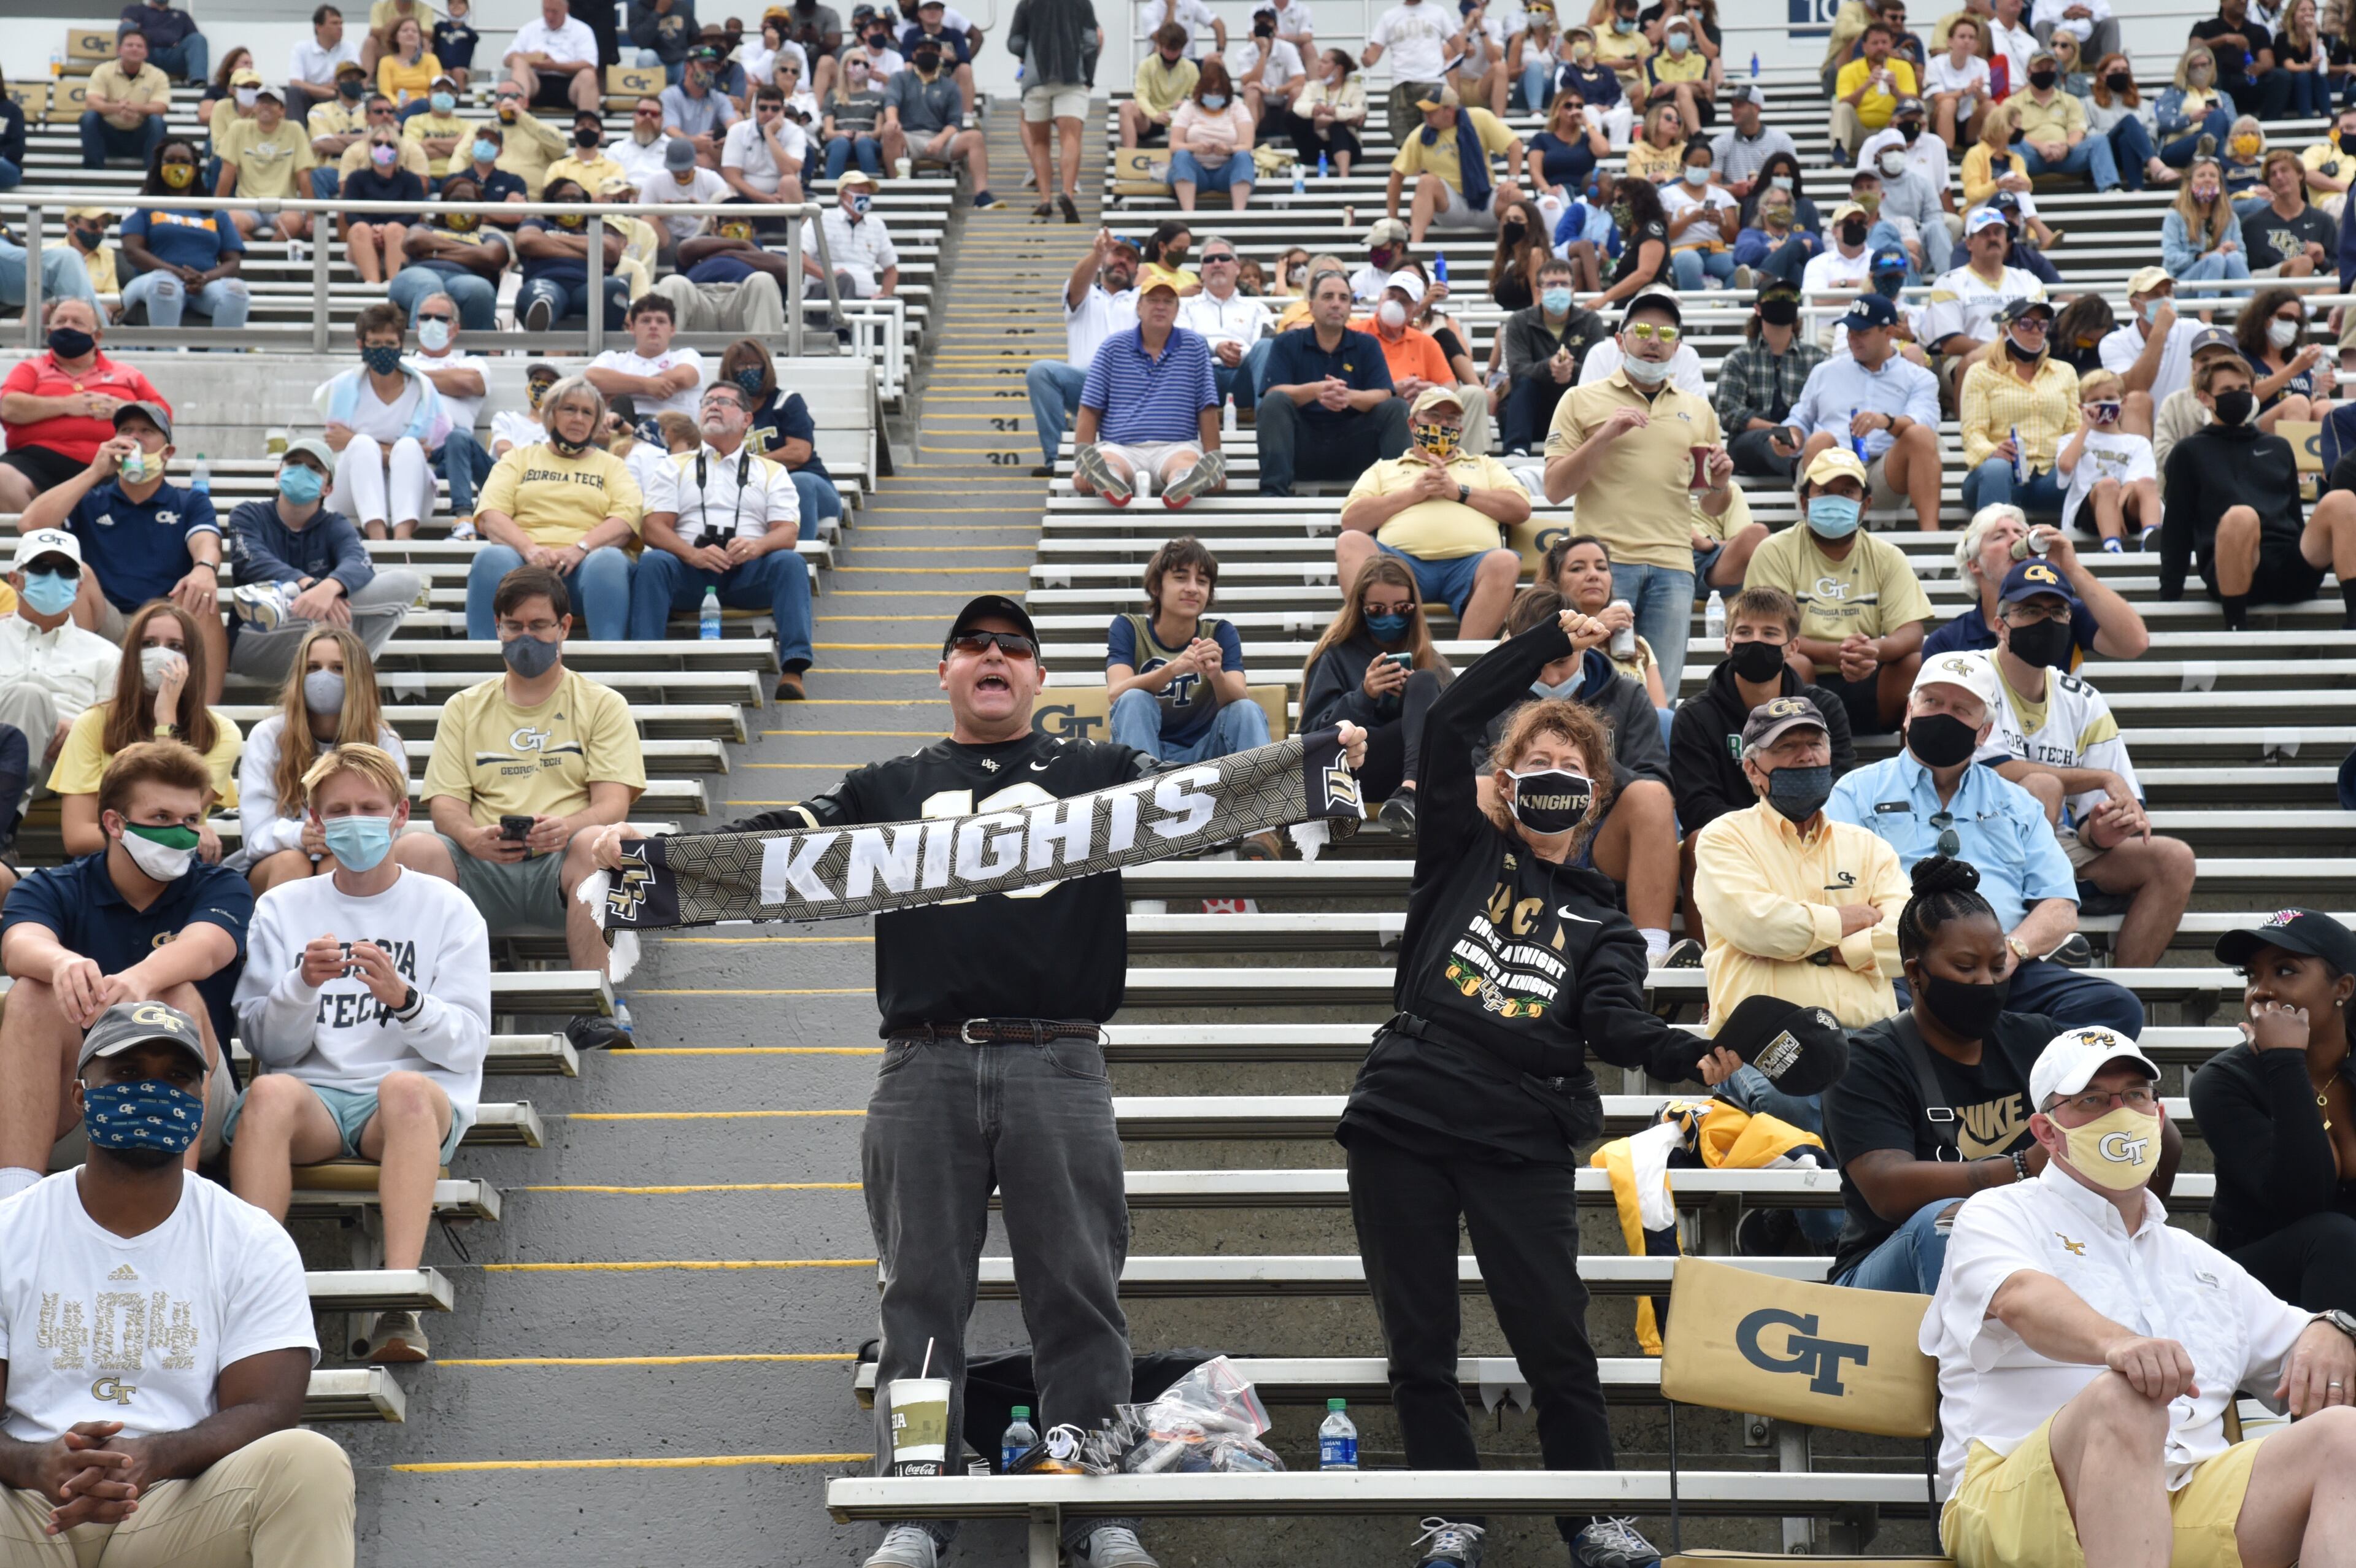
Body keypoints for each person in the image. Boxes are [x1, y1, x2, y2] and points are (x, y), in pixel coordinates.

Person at [583, 596, 1359, 1568]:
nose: (994, 657)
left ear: (1039, 680)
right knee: (918, 1296)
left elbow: (1204, 795)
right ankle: (918, 1503)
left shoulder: (1103, 772)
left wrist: (1319, 760)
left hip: (1060, 1054)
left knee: (1078, 1293)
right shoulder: (887, 783)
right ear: (945, 671)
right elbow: (783, 839)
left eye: (1014, 648)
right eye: (974, 646)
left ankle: (1094, 1507)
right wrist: (653, 861)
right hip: (923, 1062)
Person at [1336, 605, 1733, 1568]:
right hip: (1405, 1117)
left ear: (1596, 795)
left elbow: (1615, 1025)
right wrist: (1547, 647)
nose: (1552, 782)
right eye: (1535, 767)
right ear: (1505, 785)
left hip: (1521, 1134)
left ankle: (1591, 1515)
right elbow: (1441, 721)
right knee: (1419, 1341)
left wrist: (1698, 1055)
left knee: (1556, 1337)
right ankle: (1452, 1514)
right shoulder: (1458, 852)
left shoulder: (1602, 921)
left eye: (1571, 771)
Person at [1923, 1022, 2356, 1568]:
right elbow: (2019, 1298)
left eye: (2135, 1095)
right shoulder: (1999, 1212)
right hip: (2014, 1498)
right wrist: (2120, 1344)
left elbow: (2306, 1344)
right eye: (2092, 1100)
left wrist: (2335, 1327)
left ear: (2159, 1113)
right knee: (2126, 1397)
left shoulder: (2196, 1260)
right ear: (2047, 1132)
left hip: (2182, 1496)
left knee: (2345, 1437)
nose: (2120, 1112)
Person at [0, 994, 356, 1562]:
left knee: (310, 1463)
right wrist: (31, 1463)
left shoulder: (251, 1238)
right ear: (79, 1095)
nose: (152, 1091)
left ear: (199, 1101)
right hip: (26, 1506)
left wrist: (154, 1457)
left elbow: (270, 1408)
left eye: (177, 1078)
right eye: (126, 1073)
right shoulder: (10, 1228)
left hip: (176, 1506)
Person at [227, 739, 489, 1366]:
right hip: (312, 1101)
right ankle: (248, 1294)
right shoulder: (282, 908)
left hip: (409, 1105)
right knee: (264, 1093)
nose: (354, 821)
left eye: (369, 808)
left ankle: (398, 1301)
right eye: (337, 810)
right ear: (314, 823)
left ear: (400, 816)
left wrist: (404, 998)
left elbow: (468, 1043)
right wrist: (301, 987)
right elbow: (263, 1043)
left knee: (402, 1089)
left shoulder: (448, 908)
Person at [1827, 856, 2148, 1295]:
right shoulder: (1867, 1060)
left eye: (1997, 968)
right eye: (1965, 968)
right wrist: (2021, 1166)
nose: (1985, 982)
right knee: (1949, 1221)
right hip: (1888, 1272)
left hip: (2028, 1251)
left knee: (2155, 1141)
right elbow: (1887, 1189)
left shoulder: (2037, 1040)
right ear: (1916, 974)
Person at [1828, 652, 2144, 1034]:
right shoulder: (1856, 792)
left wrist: (2009, 954)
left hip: (2001, 968)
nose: (1944, 715)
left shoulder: (2018, 804)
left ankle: (1992, 1052)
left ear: (1984, 732)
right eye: (1932, 702)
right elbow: (1837, 891)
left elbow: (2059, 906)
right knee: (1885, 1013)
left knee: (2113, 1007)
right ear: (1909, 713)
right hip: (1906, 967)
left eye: (1962, 709)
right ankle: (1987, 1051)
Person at [410, 567, 644, 1053]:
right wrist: (473, 837)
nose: (526, 637)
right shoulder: (464, 707)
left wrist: (565, 827)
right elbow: (446, 805)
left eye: (539, 626)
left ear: (565, 627)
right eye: (514, 626)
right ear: (497, 627)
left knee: (595, 840)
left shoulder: (602, 704)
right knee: (415, 847)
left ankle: (593, 1005)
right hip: (484, 865)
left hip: (562, 867)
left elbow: (612, 803)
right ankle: (419, 1009)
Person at [0, 742, 252, 1189]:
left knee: (173, 994)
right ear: (115, 823)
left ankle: (181, 1200)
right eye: (161, 819)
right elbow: (19, 944)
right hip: (80, 1106)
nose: (181, 833)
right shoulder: (56, 887)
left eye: (191, 820)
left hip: (196, 1105)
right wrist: (62, 965)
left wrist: (141, 980)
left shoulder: (221, 884)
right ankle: (13, 1204)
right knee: (31, 992)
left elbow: (209, 948)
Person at [1972, 561, 2192, 969]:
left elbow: (2097, 824)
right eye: (2031, 610)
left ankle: (2126, 993)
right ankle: (2035, 942)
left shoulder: (2083, 698)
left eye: (2057, 612)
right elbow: (1996, 773)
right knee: (2043, 787)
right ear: (2001, 625)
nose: (2047, 621)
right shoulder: (1973, 676)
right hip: (1974, 835)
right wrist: (2102, 778)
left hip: (2053, 844)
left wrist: (2106, 827)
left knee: (2174, 859)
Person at [1543, 284, 1731, 699]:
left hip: (1674, 566)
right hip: (1606, 566)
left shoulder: (1698, 409)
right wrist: (1605, 435)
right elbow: (1555, 488)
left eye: (1666, 335)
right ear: (1619, 340)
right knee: (1593, 689)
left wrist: (1721, 481)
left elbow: (1712, 503)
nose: (1653, 341)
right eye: (1642, 330)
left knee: (1660, 694)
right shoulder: (1581, 399)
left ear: (1678, 348)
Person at [1692, 689, 1906, 1031]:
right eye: (1787, 747)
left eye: (1815, 744)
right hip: (1769, 1047)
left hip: (1871, 1042)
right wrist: (1850, 919)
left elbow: (1908, 941)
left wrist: (1820, 950)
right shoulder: (1725, 838)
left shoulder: (1869, 846)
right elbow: (1758, 927)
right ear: (1752, 770)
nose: (1806, 756)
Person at [2190, 908, 2356, 1314]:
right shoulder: (2221, 1082)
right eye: (2251, 975)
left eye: (2285, 971)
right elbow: (2304, 1202)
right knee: (2333, 1236)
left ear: (2344, 987)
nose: (2260, 991)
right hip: (2254, 1284)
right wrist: (2283, 1061)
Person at [628, 381, 812, 701]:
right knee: (654, 561)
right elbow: (654, 528)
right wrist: (692, 554)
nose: (713, 406)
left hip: (748, 572)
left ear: (747, 420)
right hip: (690, 572)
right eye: (708, 401)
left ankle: (794, 670)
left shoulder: (771, 471)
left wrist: (756, 547)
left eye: (725, 402)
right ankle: (645, 666)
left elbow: (787, 532)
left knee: (790, 562)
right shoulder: (673, 466)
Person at [23, 401, 225, 689]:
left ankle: (211, 721)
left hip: (167, 616)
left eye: (146, 431)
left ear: (168, 452)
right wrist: (95, 471)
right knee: (76, 572)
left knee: (203, 594)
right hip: (107, 618)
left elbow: (206, 542)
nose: (134, 438)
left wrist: (205, 567)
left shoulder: (189, 501)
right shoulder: (92, 498)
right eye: (126, 430)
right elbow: (31, 525)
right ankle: (78, 697)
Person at [1743, 447, 1931, 736]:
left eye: (1847, 492)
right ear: (1805, 503)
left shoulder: (1887, 556)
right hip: (1803, 676)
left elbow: (1911, 631)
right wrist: (1832, 654)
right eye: (1825, 491)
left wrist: (1874, 650)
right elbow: (1766, 632)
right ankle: (1799, 756)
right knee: (1793, 662)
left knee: (1915, 663)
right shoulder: (1775, 551)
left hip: (1869, 676)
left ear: (1865, 505)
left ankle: (1914, 773)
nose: (1836, 500)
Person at [1103, 539, 1276, 849]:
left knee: (1246, 709)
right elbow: (1116, 693)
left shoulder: (1220, 632)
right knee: (1134, 699)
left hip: (1206, 756)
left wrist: (1215, 674)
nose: (1193, 588)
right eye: (1181, 578)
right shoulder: (1128, 627)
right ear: (1157, 587)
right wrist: (1174, 668)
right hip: (1148, 758)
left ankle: (1260, 828)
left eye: (1203, 581)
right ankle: (1147, 819)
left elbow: (1239, 698)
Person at [2163, 353, 2356, 628]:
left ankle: (2354, 624)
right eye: (2227, 390)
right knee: (2242, 516)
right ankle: (2236, 628)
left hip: (2289, 564)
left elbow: (2294, 517)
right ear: (2205, 398)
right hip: (2235, 569)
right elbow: (2176, 530)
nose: (2238, 395)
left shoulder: (2278, 447)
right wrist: (2170, 596)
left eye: (2244, 389)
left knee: (2342, 500)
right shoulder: (2189, 452)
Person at [49, 604, 240, 868]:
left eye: (176, 647)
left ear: (193, 660)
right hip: (102, 867)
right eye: (148, 644)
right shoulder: (93, 723)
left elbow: (172, 811)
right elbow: (78, 836)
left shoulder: (222, 733)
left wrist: (165, 720)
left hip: (176, 865)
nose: (161, 654)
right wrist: (162, 831)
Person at [1336, 386, 1525, 637]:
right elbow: (1351, 520)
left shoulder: (1484, 465)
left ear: (1461, 429)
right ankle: (1373, 644)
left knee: (1505, 561)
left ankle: (1466, 663)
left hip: (1471, 567)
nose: (1443, 423)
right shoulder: (1385, 469)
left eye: (1451, 418)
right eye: (1434, 416)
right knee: (1350, 542)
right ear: (1413, 424)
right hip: (1399, 564)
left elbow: (1520, 509)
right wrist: (1414, 494)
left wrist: (1459, 492)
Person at [466, 379, 642, 640]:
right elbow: (491, 514)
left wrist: (580, 549)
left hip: (585, 568)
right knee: (491, 559)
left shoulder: (613, 465)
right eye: (570, 409)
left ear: (596, 422)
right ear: (551, 414)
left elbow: (626, 520)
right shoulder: (519, 458)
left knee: (608, 561)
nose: (578, 418)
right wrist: (530, 550)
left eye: (587, 412)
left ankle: (610, 661)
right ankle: (481, 664)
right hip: (524, 565)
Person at [238, 627, 406, 893]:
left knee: (340, 865)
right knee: (292, 863)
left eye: (338, 668)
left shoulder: (384, 740)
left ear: (358, 678)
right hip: (279, 860)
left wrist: (344, 837)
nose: (323, 678)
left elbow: (389, 825)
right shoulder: (268, 735)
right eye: (313, 667)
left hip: (356, 860)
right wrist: (301, 836)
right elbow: (255, 834)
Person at [1301, 555, 1450, 828]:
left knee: (1425, 683)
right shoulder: (1335, 656)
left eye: (1402, 608)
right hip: (1354, 770)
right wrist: (1364, 695)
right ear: (1361, 608)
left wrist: (1419, 697)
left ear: (1415, 608)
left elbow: (1456, 727)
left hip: (1422, 774)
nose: (1390, 617)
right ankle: (1411, 793)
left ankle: (1410, 791)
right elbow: (1311, 736)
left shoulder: (1429, 657)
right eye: (1377, 610)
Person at [1776, 295, 1944, 529]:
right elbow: (1800, 419)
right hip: (1833, 466)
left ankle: (1931, 536)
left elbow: (1924, 419)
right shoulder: (1824, 371)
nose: (1853, 339)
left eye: (1862, 332)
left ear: (1889, 333)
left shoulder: (1919, 377)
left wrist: (1885, 422)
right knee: (1820, 439)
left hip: (1885, 473)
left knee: (1921, 435)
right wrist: (1791, 437)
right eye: (1850, 331)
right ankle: (1812, 531)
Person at [1928, 504, 2151, 666]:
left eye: (2020, 533)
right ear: (1975, 564)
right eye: (1999, 536)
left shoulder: (2061, 613)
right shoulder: (1949, 641)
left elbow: (2135, 643)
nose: (2016, 540)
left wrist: (2072, 570)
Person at [1069, 275, 1222, 509]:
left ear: (1177, 309)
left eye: (1168, 301)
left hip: (1176, 445)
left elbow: (1207, 407)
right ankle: (1109, 481)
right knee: (1107, 463)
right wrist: (1081, 465)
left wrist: (1214, 462)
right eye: (1153, 300)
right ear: (1139, 307)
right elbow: (1089, 408)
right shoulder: (1113, 347)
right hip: (1121, 446)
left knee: (1187, 463)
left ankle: (1184, 483)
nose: (1160, 306)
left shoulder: (1194, 346)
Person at [0, 302, 166, 515]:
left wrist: (124, 409)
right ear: (50, 332)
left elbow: (163, 415)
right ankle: (42, 540)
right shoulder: (32, 368)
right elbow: (8, 406)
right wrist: (67, 405)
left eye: (77, 323)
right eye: (60, 322)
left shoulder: (126, 374)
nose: (67, 327)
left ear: (97, 337)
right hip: (35, 463)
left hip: (115, 464)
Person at [1257, 269, 1408, 496]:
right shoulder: (1287, 343)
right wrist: (1316, 391)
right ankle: (1273, 496)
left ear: (1350, 308)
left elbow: (1384, 394)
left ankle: (1397, 495)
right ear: (1311, 307)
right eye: (1328, 297)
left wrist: (1349, 397)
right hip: (1301, 448)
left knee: (1397, 408)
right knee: (1274, 402)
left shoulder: (1367, 344)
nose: (1336, 304)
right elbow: (1273, 391)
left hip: (1354, 448)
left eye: (1343, 298)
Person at [0, 529, 120, 812]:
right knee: (27, 697)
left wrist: (82, 729)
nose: (54, 578)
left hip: (62, 769)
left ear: (78, 587)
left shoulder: (107, 655)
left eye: (65, 571)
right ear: (15, 579)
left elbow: (120, 729)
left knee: (30, 696)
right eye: (42, 567)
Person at [1958, 296, 2080, 517]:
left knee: (2087, 474)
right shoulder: (1981, 372)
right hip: (2000, 474)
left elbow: (2074, 429)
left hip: (2050, 474)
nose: (2035, 330)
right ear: (2006, 330)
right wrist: (1993, 452)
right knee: (1997, 469)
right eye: (2026, 323)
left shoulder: (2065, 372)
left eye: (2042, 325)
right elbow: (1972, 433)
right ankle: (1991, 542)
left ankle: (2110, 545)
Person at [118, 138, 252, 334]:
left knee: (236, 291)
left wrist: (204, 278)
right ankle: (166, 356)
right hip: (150, 284)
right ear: (159, 166)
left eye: (183, 161)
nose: (177, 166)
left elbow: (233, 262)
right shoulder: (144, 206)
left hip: (204, 287)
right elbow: (132, 250)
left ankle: (225, 358)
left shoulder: (215, 213)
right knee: (165, 286)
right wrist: (176, 273)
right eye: (170, 161)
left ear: (195, 168)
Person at [722, 338, 842, 530]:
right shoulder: (721, 411)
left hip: (809, 488)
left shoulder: (786, 402)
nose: (749, 370)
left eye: (755, 364)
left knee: (799, 483)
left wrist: (750, 464)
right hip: (753, 495)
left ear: (766, 367)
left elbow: (799, 453)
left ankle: (797, 556)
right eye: (741, 366)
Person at [1387, 83, 1526, 245]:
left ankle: (1506, 251)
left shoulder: (1480, 118)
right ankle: (1415, 245)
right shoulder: (1420, 135)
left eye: (1432, 111)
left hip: (1485, 196)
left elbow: (1515, 145)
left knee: (1517, 197)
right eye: (1425, 111)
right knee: (1427, 181)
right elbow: (1397, 175)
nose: (1426, 115)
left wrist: (1512, 180)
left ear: (1449, 110)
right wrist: (1393, 218)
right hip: (1449, 206)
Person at [1715, 282, 1825, 482]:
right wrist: (1779, 431)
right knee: (1767, 440)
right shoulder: (1739, 358)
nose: (1782, 302)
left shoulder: (1817, 359)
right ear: (1758, 308)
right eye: (1775, 297)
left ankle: (1804, 467)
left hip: (1803, 439)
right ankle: (1803, 471)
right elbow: (1729, 413)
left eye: (1789, 297)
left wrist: (1796, 435)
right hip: (1750, 447)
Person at [1501, 256, 1609, 456]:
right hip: (1534, 409)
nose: (1558, 289)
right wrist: (1549, 367)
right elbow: (1517, 369)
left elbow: (1596, 370)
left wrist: (1570, 369)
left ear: (1573, 289)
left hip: (1575, 406)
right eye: (1551, 284)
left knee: (1589, 387)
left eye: (1564, 284)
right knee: (1524, 383)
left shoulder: (1590, 321)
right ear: (1538, 290)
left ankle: (1592, 448)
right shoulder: (1519, 321)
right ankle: (1516, 451)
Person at [884, 27, 996, 208]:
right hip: (908, 137)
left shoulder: (950, 86)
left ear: (939, 55)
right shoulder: (900, 79)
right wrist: (893, 121)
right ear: (914, 54)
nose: (928, 54)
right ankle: (896, 188)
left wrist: (940, 140)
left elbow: (955, 122)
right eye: (923, 50)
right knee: (889, 130)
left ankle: (981, 194)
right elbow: (891, 103)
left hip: (940, 138)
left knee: (975, 137)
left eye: (933, 51)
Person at [1006, 0, 1095, 220]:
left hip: (1036, 79)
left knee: (1040, 143)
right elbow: (1092, 41)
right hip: (1072, 78)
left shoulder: (1027, 3)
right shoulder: (1081, 3)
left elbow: (1013, 42)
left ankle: (1045, 199)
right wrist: (1090, 77)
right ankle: (1067, 194)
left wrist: (1029, 48)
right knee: (1071, 137)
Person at [2055, 372, 2161, 551]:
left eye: (2110, 398)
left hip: (2127, 507)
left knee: (2148, 484)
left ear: (2123, 402)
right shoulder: (2070, 440)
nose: (2103, 404)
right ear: (2082, 407)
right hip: (2088, 511)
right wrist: (2085, 427)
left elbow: (2134, 481)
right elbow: (2066, 467)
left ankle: (2152, 539)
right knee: (2108, 486)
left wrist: (2117, 509)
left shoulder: (2137, 443)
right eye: (2095, 400)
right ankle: (2112, 545)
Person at [515, 179, 629, 331]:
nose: (570, 202)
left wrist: (552, 238)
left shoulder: (596, 230)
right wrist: (589, 253)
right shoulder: (538, 224)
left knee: (616, 286)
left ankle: (608, 352)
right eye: (563, 199)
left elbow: (612, 251)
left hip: (587, 287)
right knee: (543, 298)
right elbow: (526, 241)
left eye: (576, 198)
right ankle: (539, 340)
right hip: (547, 282)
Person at [1174, 237, 1269, 417]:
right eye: (1209, 260)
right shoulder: (1184, 306)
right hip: (1202, 377)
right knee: (1190, 341)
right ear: (1202, 272)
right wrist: (1215, 349)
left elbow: (1262, 351)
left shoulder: (1258, 308)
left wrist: (1238, 355)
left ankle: (1266, 425)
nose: (1217, 264)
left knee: (1266, 347)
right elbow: (1182, 344)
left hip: (1244, 379)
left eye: (1224, 258)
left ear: (1237, 268)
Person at [1363, 0, 1455, 144]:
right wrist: (1365, 59)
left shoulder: (1439, 12)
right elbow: (1371, 57)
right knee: (1405, 142)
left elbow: (1459, 46)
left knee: (1437, 139)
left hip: (1433, 84)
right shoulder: (1389, 16)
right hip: (1403, 85)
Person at [80, 29, 170, 169]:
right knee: (89, 117)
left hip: (141, 138)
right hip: (109, 138)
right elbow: (92, 103)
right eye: (130, 45)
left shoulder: (158, 76)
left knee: (157, 122)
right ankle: (93, 170)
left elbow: (161, 108)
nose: (134, 49)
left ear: (146, 52)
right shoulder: (103, 70)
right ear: (119, 49)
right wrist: (118, 108)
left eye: (139, 46)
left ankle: (152, 173)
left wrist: (135, 108)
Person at [2246, 147, 2338, 278]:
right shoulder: (2252, 225)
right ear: (2269, 184)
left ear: (2300, 174)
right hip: (2269, 290)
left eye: (2284, 170)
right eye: (2273, 174)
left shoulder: (2324, 221)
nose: (2279, 177)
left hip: (2313, 286)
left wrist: (2322, 260)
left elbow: (2336, 267)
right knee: (2303, 262)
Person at [1833, 22, 1920, 156]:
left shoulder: (1903, 67)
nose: (1880, 47)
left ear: (1891, 44)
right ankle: (1839, 153)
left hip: (1893, 129)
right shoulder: (1848, 70)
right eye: (1875, 43)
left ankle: (1918, 153)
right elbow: (1845, 101)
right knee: (1842, 108)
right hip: (1859, 130)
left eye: (1884, 42)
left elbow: (1912, 102)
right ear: (1864, 47)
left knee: (1919, 108)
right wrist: (1867, 85)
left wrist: (1895, 90)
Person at [2164, 156, 2252, 288]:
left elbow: (2243, 259)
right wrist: (2200, 257)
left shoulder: (2231, 217)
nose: (2207, 179)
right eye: (2201, 175)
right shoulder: (2175, 216)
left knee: (2235, 258)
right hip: (2184, 282)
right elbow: (2171, 258)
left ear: (2220, 182)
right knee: (2215, 259)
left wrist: (2232, 251)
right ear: (2190, 182)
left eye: (2212, 176)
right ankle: (2207, 308)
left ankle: (2247, 305)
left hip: (2223, 280)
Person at [505, 0, 602, 112]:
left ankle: (589, 124)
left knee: (588, 75)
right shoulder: (530, 29)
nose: (550, 16)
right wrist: (531, 57)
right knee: (518, 62)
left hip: (570, 85)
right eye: (546, 10)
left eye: (555, 12)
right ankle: (516, 116)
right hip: (535, 84)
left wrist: (555, 66)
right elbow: (507, 59)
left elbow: (590, 64)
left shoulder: (582, 30)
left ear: (566, 10)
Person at [1288, 47, 1365, 176]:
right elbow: (1298, 107)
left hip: (1350, 150)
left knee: (1337, 126)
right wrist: (1314, 109)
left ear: (1338, 69)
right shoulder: (1313, 86)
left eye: (1324, 62)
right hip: (1317, 147)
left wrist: (1335, 114)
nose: (1319, 65)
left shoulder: (1355, 89)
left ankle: (1344, 179)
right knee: (1291, 118)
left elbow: (1360, 112)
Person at [1122, 20, 1198, 146]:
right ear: (1161, 46)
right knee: (1125, 107)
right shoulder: (1146, 65)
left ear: (1182, 48)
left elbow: (1197, 97)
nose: (1172, 54)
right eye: (1168, 49)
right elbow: (1141, 96)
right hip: (1151, 120)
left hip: (1180, 121)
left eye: (1176, 50)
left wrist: (1186, 104)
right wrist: (1154, 115)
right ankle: (1130, 159)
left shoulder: (1191, 68)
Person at [661, 43, 739, 165]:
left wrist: (729, 138)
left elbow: (734, 126)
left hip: (710, 152)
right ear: (688, 68)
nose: (709, 71)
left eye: (712, 67)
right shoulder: (669, 96)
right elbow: (671, 131)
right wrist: (694, 142)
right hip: (677, 155)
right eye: (704, 66)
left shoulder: (719, 98)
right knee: (703, 161)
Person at [488, 76, 567, 196]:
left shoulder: (538, 128)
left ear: (525, 102)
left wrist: (521, 116)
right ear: (495, 104)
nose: (507, 101)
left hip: (533, 202)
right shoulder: (484, 129)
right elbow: (462, 156)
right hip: (492, 200)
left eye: (513, 96)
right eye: (501, 97)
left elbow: (561, 148)